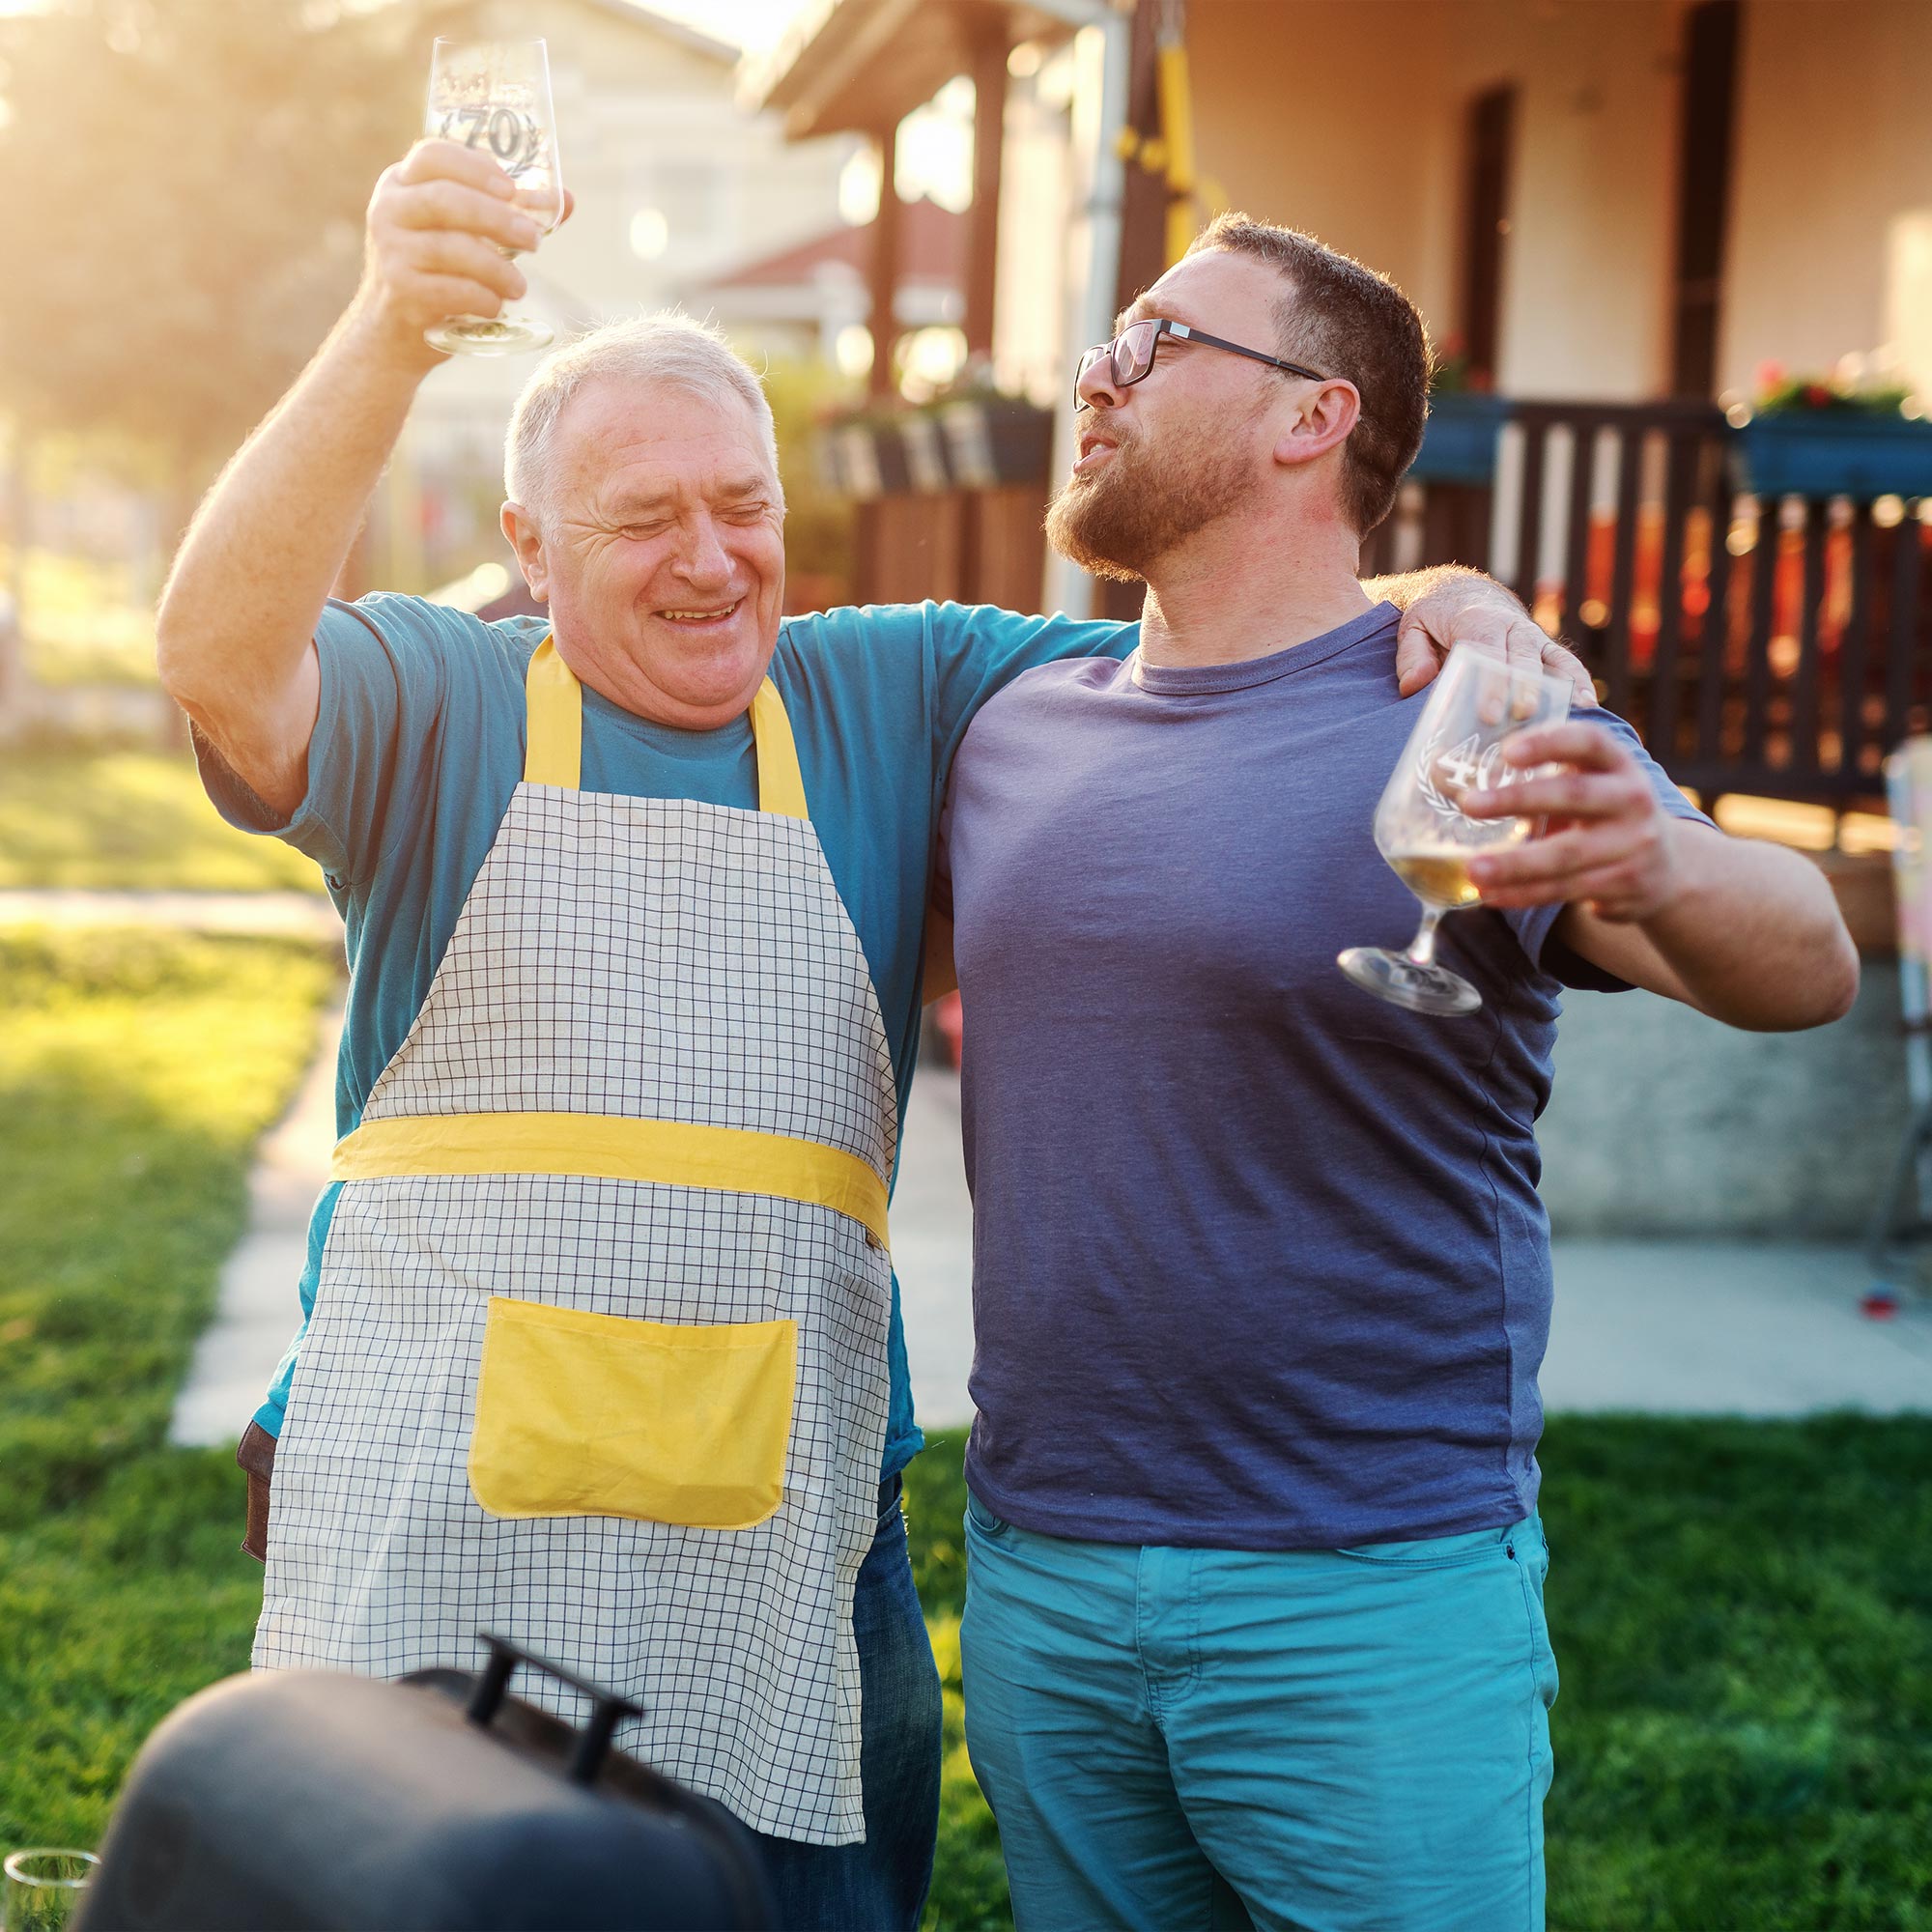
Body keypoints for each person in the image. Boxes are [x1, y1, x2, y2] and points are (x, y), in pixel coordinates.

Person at [155, 143, 1587, 1930]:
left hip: (783, 1546)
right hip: (436, 1526)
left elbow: (1231, 612)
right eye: (638, 519)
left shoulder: (899, 687)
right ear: (526, 551)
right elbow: (219, 657)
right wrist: (389, 323)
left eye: (742, 506)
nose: (708, 561)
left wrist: (1443, 609)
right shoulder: (435, 706)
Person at [933, 214, 1861, 1932]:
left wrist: (1653, 865)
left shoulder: (1478, 711)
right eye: (1108, 337)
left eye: (1158, 340)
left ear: (1310, 418)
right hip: (1041, 1573)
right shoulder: (1010, 711)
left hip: (1368, 1595)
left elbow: (1810, 961)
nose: (1097, 369)